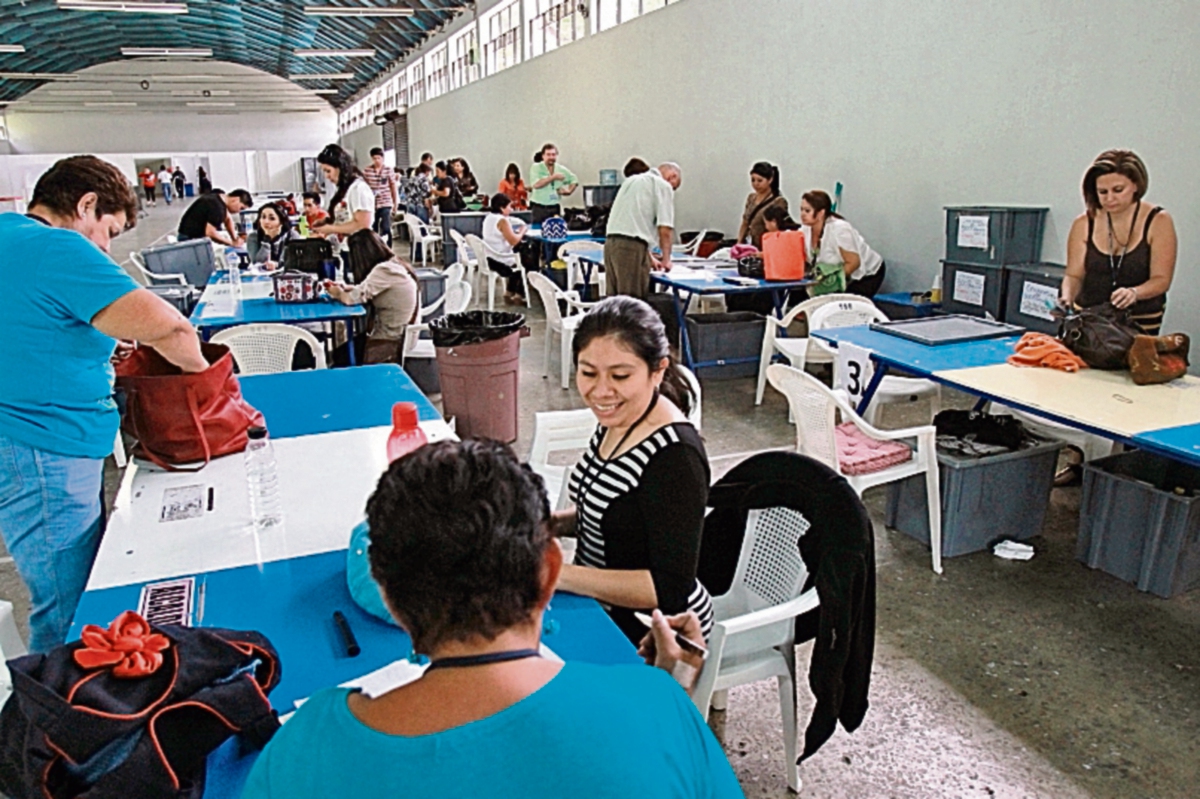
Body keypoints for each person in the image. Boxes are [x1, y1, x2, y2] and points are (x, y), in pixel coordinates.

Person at [240, 438, 742, 799]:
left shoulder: (303, 748)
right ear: (550, 572)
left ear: (386, 595)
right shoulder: (658, 708)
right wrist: (669, 699)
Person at [0, 156, 209, 653]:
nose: (106, 247)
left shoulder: (8, 236)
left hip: (16, 439)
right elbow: (173, 328)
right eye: (108, 230)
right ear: (86, 204)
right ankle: (71, 715)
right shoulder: (58, 247)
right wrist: (207, 378)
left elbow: (30, 323)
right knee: (70, 605)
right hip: (45, 448)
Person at [550, 297, 713, 645]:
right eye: (588, 372)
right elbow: (617, 513)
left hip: (654, 631)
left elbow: (669, 587)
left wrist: (555, 574)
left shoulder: (675, 457)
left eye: (620, 375)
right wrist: (552, 523)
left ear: (657, 371)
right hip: (597, 604)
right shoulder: (620, 416)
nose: (600, 391)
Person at [1062, 149, 1176, 335]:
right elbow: (1074, 275)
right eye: (1102, 192)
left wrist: (1135, 293)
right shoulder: (1084, 223)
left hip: (1139, 322)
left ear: (1136, 186)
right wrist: (1066, 297)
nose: (1110, 199)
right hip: (1089, 319)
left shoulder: (1159, 221)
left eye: (1118, 190)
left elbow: (1161, 280)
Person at [326, 230, 420, 364]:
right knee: (344, 351)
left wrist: (337, 292)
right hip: (402, 335)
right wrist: (347, 287)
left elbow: (349, 299)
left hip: (391, 340)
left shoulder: (383, 270)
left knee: (340, 356)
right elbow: (368, 289)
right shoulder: (394, 264)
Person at [603, 162, 681, 300]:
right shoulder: (663, 186)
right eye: (674, 187)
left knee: (614, 303)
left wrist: (649, 257)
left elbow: (631, 224)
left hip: (611, 244)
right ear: (672, 177)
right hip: (630, 249)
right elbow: (665, 229)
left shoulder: (631, 181)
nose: (672, 191)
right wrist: (666, 260)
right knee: (631, 304)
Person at [800, 189, 886, 297]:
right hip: (839, 274)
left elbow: (854, 263)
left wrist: (832, 282)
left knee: (841, 306)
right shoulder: (805, 230)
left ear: (821, 213)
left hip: (867, 275)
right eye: (801, 210)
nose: (802, 214)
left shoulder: (839, 229)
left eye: (807, 211)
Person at [312, 144, 373, 264]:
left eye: (328, 171)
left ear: (340, 168)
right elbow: (346, 217)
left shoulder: (358, 189)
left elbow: (362, 225)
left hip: (360, 251)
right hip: (347, 248)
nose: (327, 176)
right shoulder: (345, 188)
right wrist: (327, 222)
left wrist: (330, 229)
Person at [482, 193, 529, 304]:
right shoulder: (502, 221)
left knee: (519, 254)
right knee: (527, 259)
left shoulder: (488, 218)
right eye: (509, 207)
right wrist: (522, 231)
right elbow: (513, 241)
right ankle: (519, 294)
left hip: (489, 257)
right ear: (502, 208)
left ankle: (509, 291)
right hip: (500, 260)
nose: (511, 209)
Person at [737, 162, 788, 249]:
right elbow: (745, 222)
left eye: (760, 180)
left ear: (770, 180)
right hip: (749, 244)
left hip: (766, 246)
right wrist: (739, 243)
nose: (756, 184)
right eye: (753, 180)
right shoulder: (751, 198)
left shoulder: (778, 201)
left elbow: (777, 229)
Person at [178, 188, 252, 246]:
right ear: (236, 199)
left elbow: (228, 219)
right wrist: (231, 243)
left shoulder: (218, 198)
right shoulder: (217, 207)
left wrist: (235, 238)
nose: (239, 211)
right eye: (241, 208)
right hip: (189, 240)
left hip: (189, 235)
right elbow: (210, 233)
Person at [528, 143, 578, 224]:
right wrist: (553, 177)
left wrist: (568, 191)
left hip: (554, 207)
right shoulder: (536, 168)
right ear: (543, 156)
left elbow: (574, 179)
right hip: (539, 208)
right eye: (548, 155)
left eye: (553, 155)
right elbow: (536, 184)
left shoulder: (561, 169)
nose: (551, 157)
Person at [249, 203, 301, 270]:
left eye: (272, 218)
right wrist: (267, 239)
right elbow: (257, 262)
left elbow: (291, 261)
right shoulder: (253, 237)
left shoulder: (292, 235)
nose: (266, 221)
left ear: (281, 221)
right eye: (263, 217)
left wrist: (277, 265)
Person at [362, 147, 399, 245]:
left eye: (379, 158)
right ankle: (376, 249)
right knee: (373, 228)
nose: (377, 160)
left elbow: (393, 187)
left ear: (383, 158)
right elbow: (363, 187)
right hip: (372, 204)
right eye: (374, 158)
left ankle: (388, 249)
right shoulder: (367, 171)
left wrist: (395, 204)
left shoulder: (388, 170)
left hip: (385, 202)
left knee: (386, 227)